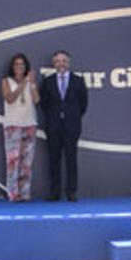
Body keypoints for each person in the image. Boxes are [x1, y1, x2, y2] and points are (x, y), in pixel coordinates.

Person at [37, 50, 88, 202]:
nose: (61, 64)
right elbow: (44, 104)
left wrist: (72, 117)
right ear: (54, 64)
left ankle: (71, 192)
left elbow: (83, 104)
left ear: (69, 62)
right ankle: (55, 192)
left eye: (64, 60)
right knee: (54, 159)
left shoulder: (78, 80)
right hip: (53, 126)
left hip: (72, 126)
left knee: (71, 159)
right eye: (58, 61)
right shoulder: (48, 81)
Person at [0, 53, 39, 202]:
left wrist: (32, 83)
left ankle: (24, 192)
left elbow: (36, 100)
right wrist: (23, 85)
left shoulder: (30, 81)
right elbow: (9, 99)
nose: (19, 67)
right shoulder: (6, 81)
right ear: (12, 67)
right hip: (13, 125)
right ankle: (13, 193)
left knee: (26, 161)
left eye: (22, 64)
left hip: (29, 123)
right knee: (13, 161)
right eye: (16, 64)